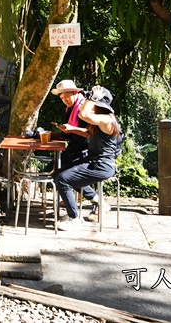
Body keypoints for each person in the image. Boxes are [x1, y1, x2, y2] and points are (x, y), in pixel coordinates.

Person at [53, 86, 123, 230]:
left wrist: (93, 97)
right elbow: (89, 134)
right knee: (57, 174)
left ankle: (74, 218)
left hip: (102, 165)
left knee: (63, 179)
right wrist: (72, 129)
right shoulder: (100, 122)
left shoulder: (106, 119)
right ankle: (80, 210)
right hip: (93, 161)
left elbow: (83, 114)